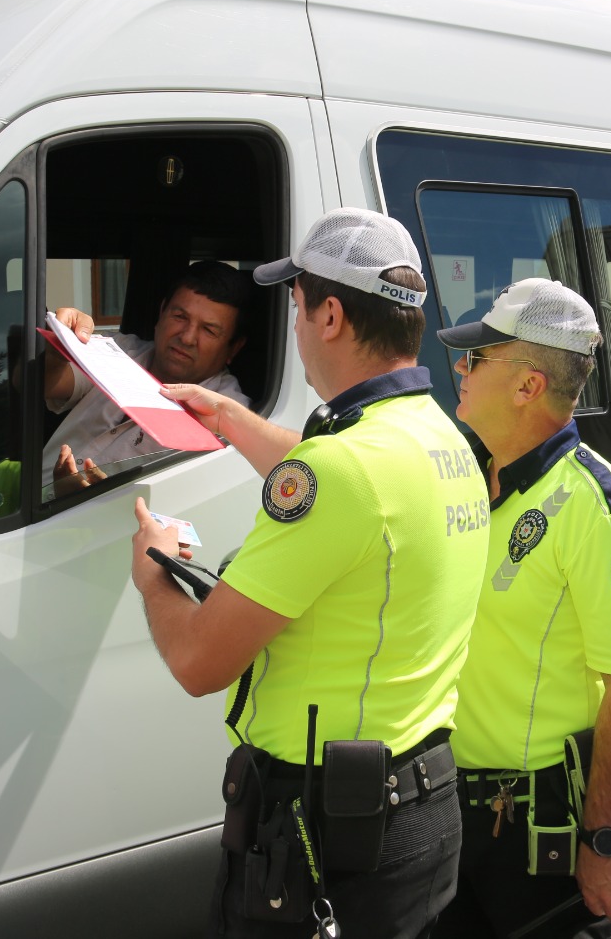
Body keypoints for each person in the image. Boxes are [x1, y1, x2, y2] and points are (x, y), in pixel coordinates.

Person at [129, 208, 491, 938]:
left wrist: (153, 579)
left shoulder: (342, 472)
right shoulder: (439, 437)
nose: (293, 326)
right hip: (420, 809)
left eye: (295, 307)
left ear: (330, 314)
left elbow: (200, 662)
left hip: (324, 834)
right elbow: (344, 482)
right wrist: (227, 417)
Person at [431, 278, 611, 939]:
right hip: (455, 811)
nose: (461, 368)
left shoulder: (598, 509)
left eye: (477, 357)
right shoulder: (478, 481)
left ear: (527, 385)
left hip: (538, 830)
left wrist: (606, 841)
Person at [43, 260, 255, 493]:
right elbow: (50, 384)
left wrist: (90, 498)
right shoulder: (119, 349)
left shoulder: (228, 416)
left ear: (234, 348)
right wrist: (57, 350)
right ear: (161, 312)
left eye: (209, 330)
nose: (187, 337)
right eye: (180, 317)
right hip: (24, 502)